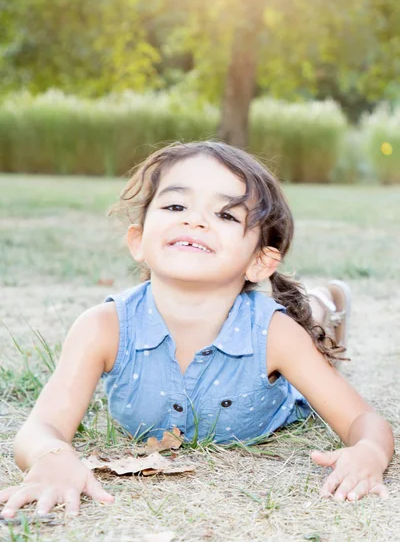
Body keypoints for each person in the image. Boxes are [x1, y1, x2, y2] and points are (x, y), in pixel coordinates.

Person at [0, 141, 393, 519]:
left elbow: (364, 421)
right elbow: (42, 426)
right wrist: (52, 458)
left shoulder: (276, 335)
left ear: (259, 262)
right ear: (138, 240)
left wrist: (370, 452)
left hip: (283, 360)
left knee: (310, 338)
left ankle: (323, 310)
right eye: (175, 205)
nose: (194, 219)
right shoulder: (103, 328)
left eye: (225, 214)